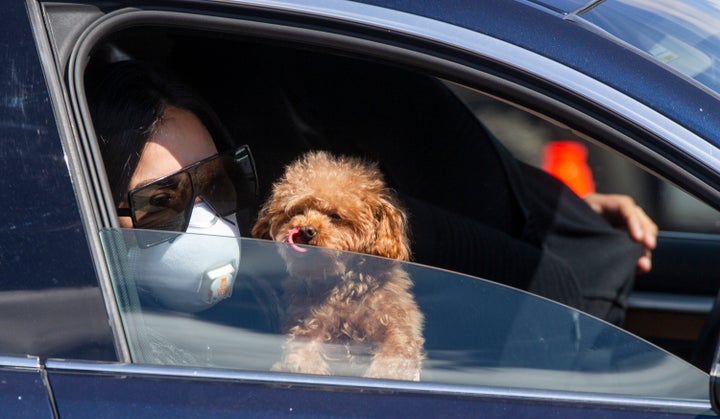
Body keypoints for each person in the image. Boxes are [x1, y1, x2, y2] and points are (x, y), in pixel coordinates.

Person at [88, 54, 656, 325]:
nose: (210, 218)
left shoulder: (276, 286)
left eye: (217, 181)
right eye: (162, 202)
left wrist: (559, 211)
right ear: (91, 206)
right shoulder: (75, 349)